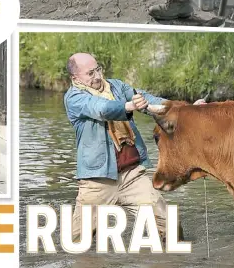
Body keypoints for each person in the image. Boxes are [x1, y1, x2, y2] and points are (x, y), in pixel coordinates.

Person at [64, 52, 174, 242]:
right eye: (90, 73)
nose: (97, 76)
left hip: (132, 176)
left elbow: (147, 99)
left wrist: (184, 110)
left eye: (98, 69)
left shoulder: (116, 86)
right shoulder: (74, 98)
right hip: (97, 183)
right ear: (76, 78)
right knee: (77, 243)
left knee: (170, 229)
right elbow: (101, 108)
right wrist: (129, 106)